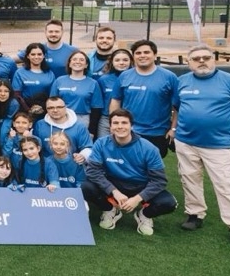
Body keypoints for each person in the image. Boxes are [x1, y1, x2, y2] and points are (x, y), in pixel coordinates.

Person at [88, 108, 176, 236]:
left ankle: (144, 215)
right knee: (85, 187)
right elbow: (92, 171)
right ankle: (110, 209)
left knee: (168, 203)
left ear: (131, 126)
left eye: (124, 123)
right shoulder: (101, 143)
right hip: (113, 184)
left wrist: (138, 198)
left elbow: (159, 180)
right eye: (116, 123)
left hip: (140, 186)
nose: (120, 126)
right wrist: (114, 191)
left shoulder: (149, 148)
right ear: (110, 126)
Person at [173, 44, 230, 232]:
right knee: (189, 179)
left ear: (214, 59)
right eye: (196, 59)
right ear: (189, 62)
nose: (202, 61)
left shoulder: (227, 80)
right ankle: (195, 214)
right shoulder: (182, 81)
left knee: (225, 184)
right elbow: (177, 107)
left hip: (220, 143)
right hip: (186, 141)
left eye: (206, 57)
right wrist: (173, 128)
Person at [111, 39, 178, 157]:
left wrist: (173, 129)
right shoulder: (125, 76)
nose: (142, 55)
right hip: (129, 130)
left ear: (155, 55)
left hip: (157, 132)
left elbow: (177, 106)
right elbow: (116, 100)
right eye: (138, 53)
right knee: (127, 163)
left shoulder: (169, 77)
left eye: (146, 52)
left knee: (152, 165)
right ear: (133, 56)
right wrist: (114, 124)